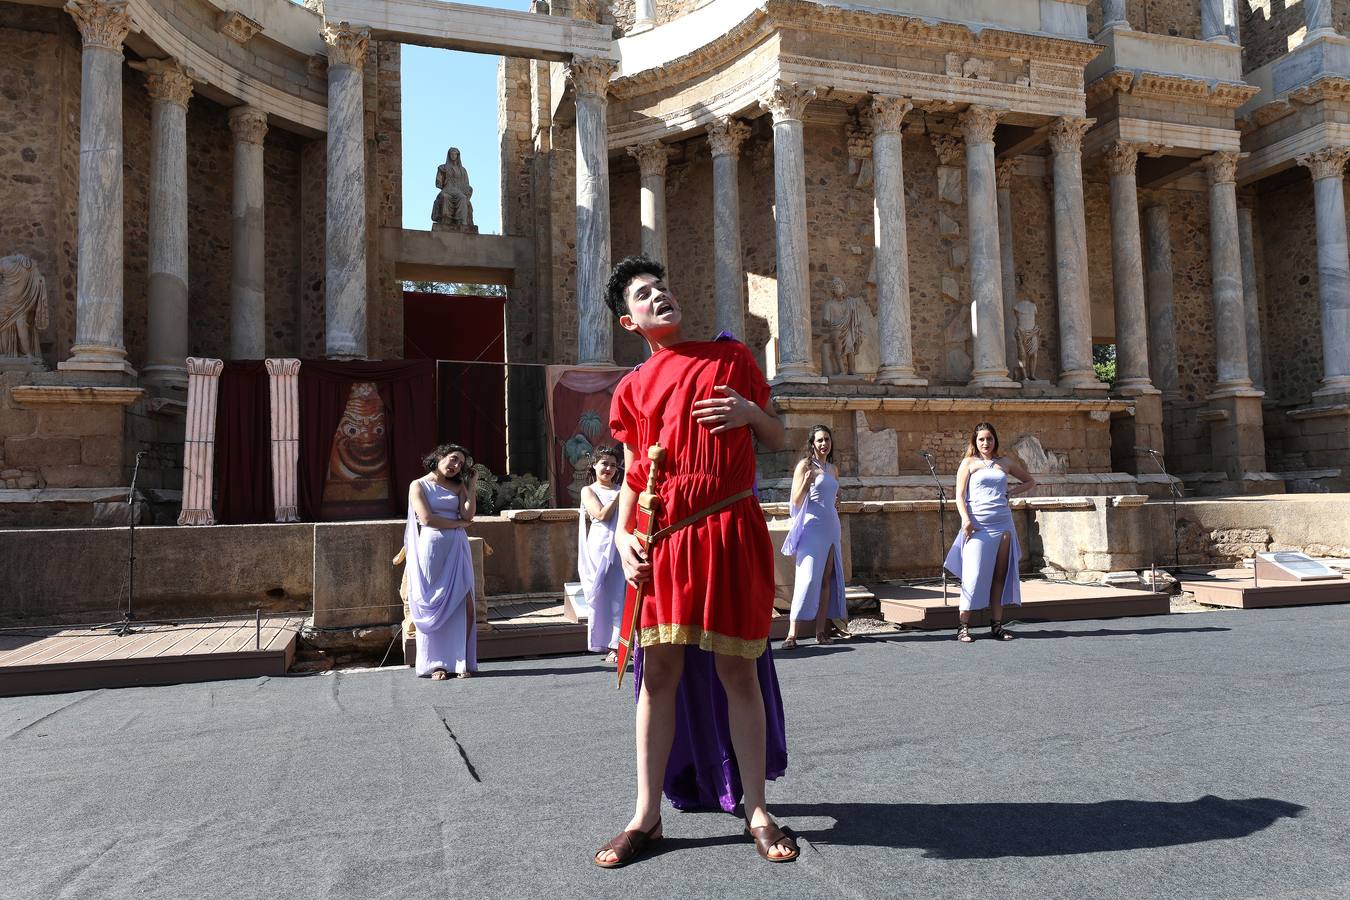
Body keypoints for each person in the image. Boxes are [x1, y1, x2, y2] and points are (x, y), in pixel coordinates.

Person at [593, 255, 798, 868]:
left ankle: (757, 809)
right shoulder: (631, 387)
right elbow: (634, 476)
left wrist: (749, 414)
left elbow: (779, 436)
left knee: (739, 672)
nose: (661, 297)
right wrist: (625, 536)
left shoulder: (730, 358)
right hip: (666, 544)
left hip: (731, 528)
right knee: (657, 677)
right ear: (629, 321)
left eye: (664, 287)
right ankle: (645, 815)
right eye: (645, 295)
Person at [943, 423, 1036, 643]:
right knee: (973, 575)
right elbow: (959, 495)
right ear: (975, 442)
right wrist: (965, 519)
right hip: (978, 525)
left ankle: (996, 625)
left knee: (999, 575)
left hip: (1003, 523)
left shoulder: (1004, 463)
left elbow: (1030, 481)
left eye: (990, 439)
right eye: (982, 439)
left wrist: (1011, 492)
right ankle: (963, 626)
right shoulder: (968, 463)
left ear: (996, 440)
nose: (986, 443)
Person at [404, 443, 479, 679]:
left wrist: (471, 486)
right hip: (433, 548)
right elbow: (426, 518)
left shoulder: (458, 487)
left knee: (465, 605)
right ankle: (437, 663)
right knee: (435, 604)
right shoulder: (418, 485)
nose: (456, 466)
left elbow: (468, 515)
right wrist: (458, 524)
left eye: (460, 464)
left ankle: (460, 660)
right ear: (439, 456)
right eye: (453, 459)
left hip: (457, 547)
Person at [782, 424, 847, 649]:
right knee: (807, 577)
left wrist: (838, 496)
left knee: (826, 579)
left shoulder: (833, 469)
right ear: (812, 444)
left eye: (827, 440)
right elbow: (795, 502)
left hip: (831, 527)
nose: (824, 444)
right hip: (811, 528)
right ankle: (792, 634)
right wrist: (807, 483)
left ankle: (821, 631)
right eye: (819, 440)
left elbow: (832, 496)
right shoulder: (805, 466)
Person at [578, 446, 624, 663]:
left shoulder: (622, 488)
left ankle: (622, 643)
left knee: (621, 594)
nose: (608, 468)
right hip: (600, 544)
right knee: (603, 594)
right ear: (594, 465)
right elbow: (601, 515)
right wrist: (620, 495)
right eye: (604, 463)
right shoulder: (589, 490)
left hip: (622, 543)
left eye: (613, 465)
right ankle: (607, 644)